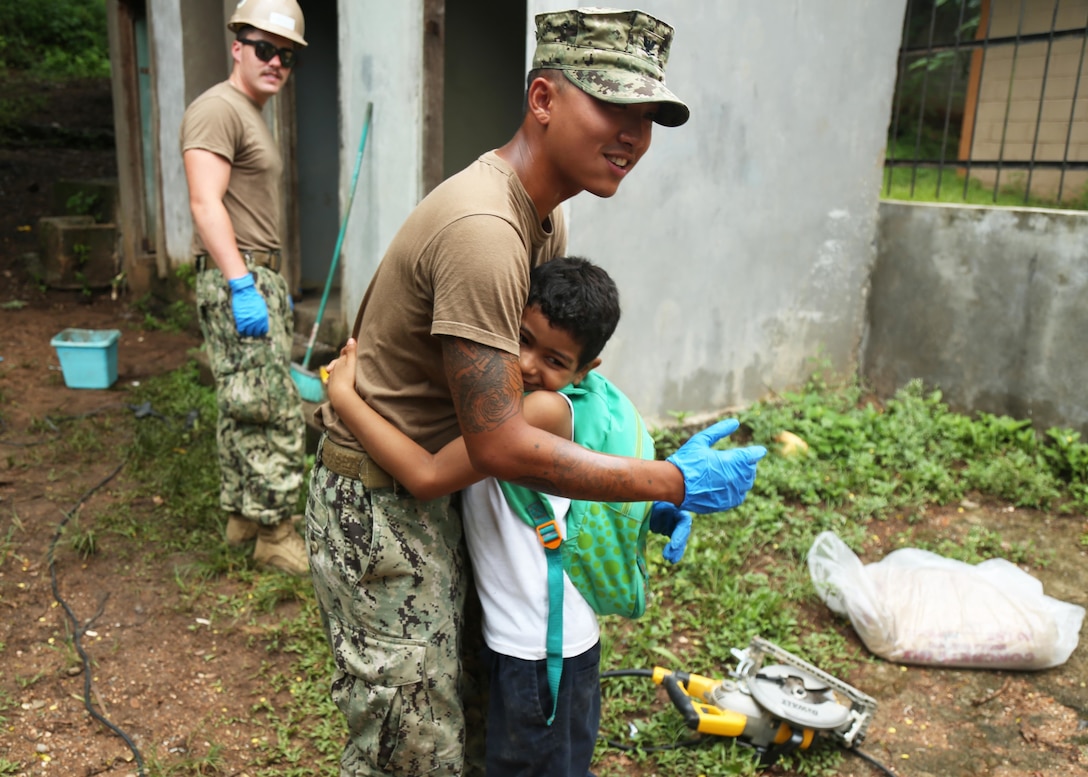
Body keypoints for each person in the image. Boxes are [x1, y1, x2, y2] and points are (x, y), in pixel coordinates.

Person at [306, 8, 767, 776]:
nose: (632, 135)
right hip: (381, 504)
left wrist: (637, 502)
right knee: (411, 752)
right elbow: (502, 442)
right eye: (611, 106)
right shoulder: (486, 228)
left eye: (646, 117)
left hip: (440, 491)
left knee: (464, 729)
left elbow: (547, 410)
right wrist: (673, 480)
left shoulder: (541, 221)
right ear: (544, 99)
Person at [322, 256, 693, 777]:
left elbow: (428, 474)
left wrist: (344, 397)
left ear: (585, 372)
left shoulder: (538, 411)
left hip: (540, 656)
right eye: (521, 338)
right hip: (533, 643)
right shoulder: (563, 401)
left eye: (556, 360)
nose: (527, 363)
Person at [180, 0, 309, 575]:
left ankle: (242, 515)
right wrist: (240, 282)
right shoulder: (218, 109)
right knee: (272, 407)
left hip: (256, 273)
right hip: (241, 273)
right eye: (265, 48)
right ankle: (276, 533)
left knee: (243, 399)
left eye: (286, 54)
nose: (276, 61)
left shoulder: (248, 111)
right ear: (237, 46)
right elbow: (205, 202)